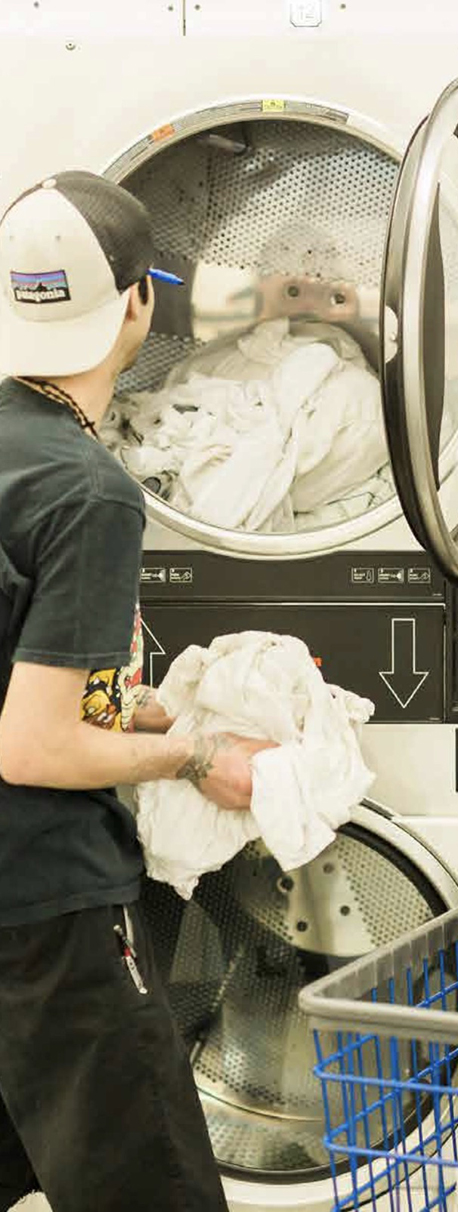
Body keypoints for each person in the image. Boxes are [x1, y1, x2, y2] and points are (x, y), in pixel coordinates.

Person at [0, 170, 276, 1211]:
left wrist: (158, 704)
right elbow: (32, 748)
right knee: (146, 1181)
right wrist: (198, 756)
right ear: (135, 303)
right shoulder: (86, 492)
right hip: (43, 898)